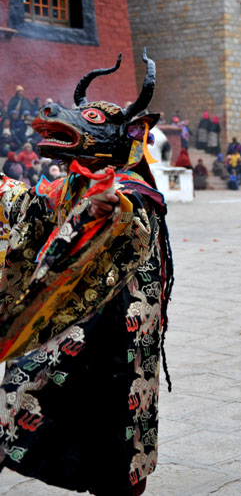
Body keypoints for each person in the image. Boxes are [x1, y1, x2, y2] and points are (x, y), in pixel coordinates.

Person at [0, 51, 173, 496]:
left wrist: (113, 208)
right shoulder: (69, 184)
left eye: (90, 119)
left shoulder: (136, 192)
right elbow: (31, 206)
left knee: (117, 426)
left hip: (118, 331)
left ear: (128, 137)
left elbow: (134, 221)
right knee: (26, 391)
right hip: (70, 320)